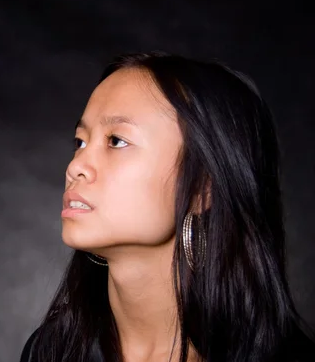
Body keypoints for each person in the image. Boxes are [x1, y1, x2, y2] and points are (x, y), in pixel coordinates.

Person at [19, 52, 315, 362]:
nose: (76, 166)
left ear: (203, 188)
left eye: (117, 141)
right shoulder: (51, 350)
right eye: (80, 141)